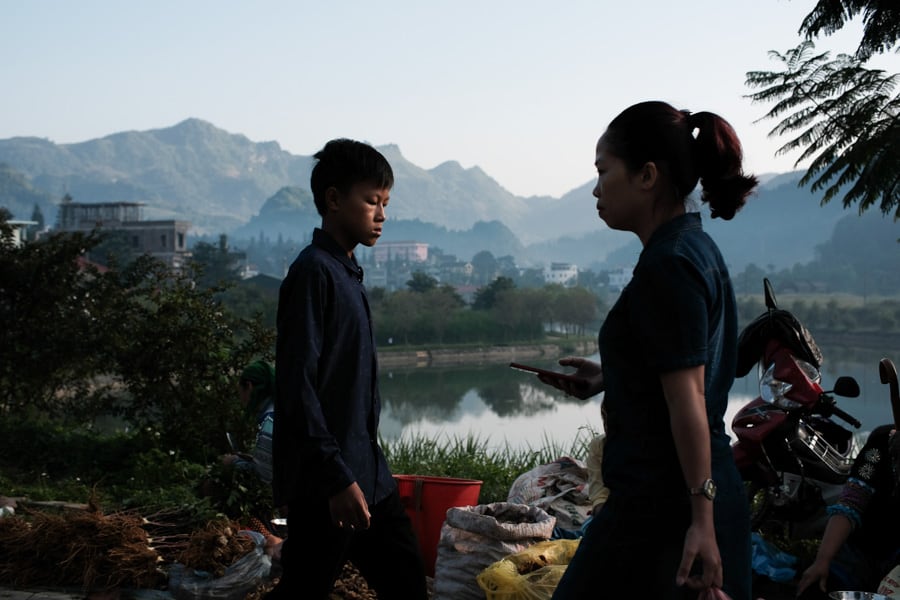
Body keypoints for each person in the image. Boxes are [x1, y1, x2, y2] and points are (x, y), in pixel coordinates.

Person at [544, 101, 757, 599]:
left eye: (603, 171)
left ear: (647, 176)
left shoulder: (668, 266)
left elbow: (690, 403)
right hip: (678, 500)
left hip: (665, 509)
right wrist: (611, 375)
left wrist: (700, 521)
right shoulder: (693, 248)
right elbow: (678, 368)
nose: (596, 189)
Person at [267, 139, 427, 599]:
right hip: (329, 484)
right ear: (334, 200)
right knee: (304, 587)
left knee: (406, 582)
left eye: (385, 203)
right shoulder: (313, 273)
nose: (381, 214)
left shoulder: (346, 271)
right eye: (371, 201)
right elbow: (298, 389)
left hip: (369, 474)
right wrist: (336, 478)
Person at [796, 424, 900, 597]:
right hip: (859, 555)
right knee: (815, 589)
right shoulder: (880, 447)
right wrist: (823, 560)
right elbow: (851, 502)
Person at [222, 359, 276, 486]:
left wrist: (233, 462)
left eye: (240, 391)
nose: (240, 398)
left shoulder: (269, 421)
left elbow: (263, 477)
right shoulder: (279, 411)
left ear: (249, 386)